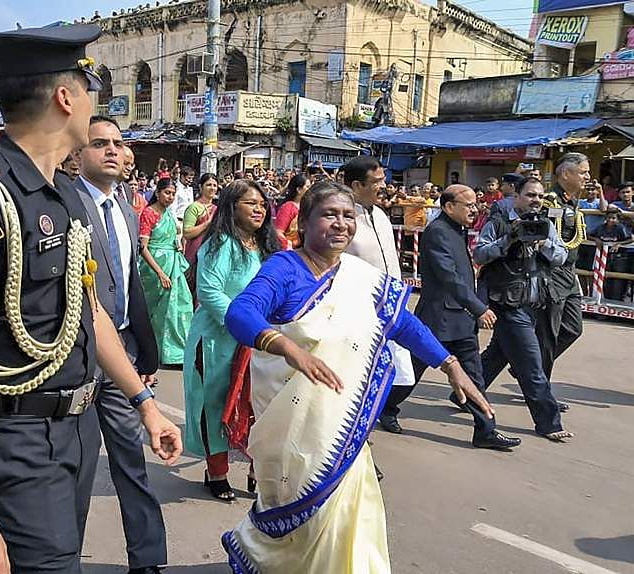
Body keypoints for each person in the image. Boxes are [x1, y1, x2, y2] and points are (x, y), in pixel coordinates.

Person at [0, 25, 181, 574]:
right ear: (66, 98)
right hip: (17, 439)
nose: (95, 104)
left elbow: (88, 314)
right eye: (90, 89)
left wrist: (144, 402)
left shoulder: (64, 194)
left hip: (76, 430)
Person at [221, 181, 494, 572]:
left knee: (348, 516)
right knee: (302, 519)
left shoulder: (361, 278)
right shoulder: (285, 268)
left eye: (348, 215)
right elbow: (240, 314)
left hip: (343, 428)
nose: (341, 224)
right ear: (305, 221)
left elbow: (404, 325)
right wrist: (289, 348)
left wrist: (450, 366)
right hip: (291, 425)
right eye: (329, 214)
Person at [74, 115, 167, 574]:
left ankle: (146, 559)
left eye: (117, 143)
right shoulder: (65, 204)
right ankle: (62, 559)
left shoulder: (127, 209)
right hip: (74, 360)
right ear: (77, 154)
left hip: (122, 358)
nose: (112, 150)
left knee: (132, 461)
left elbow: (132, 286)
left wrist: (145, 352)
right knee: (78, 468)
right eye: (99, 143)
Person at [386, 185, 521, 449]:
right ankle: (386, 408)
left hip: (462, 321)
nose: (475, 209)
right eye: (468, 205)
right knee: (412, 373)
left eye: (476, 204)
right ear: (449, 206)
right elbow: (450, 278)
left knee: (474, 374)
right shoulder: (437, 233)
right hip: (438, 320)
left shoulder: (456, 230)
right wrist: (479, 308)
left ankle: (485, 430)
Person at [183, 180, 281, 501]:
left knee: (259, 407)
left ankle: (258, 470)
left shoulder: (267, 246)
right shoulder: (220, 244)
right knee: (215, 405)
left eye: (262, 205)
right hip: (217, 339)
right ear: (231, 206)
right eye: (250, 204)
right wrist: (246, 325)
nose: (258, 210)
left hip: (257, 342)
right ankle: (217, 472)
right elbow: (209, 292)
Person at [475, 177, 572, 441]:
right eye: (530, 195)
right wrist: (508, 240)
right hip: (508, 304)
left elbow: (562, 257)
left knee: (497, 355)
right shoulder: (498, 222)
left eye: (539, 196)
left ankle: (467, 393)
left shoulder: (546, 225)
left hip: (535, 304)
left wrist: (543, 244)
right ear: (516, 196)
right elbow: (480, 255)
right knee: (532, 365)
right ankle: (549, 422)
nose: (535, 201)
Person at [341, 157, 417, 431]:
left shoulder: (382, 216)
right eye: (377, 182)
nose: (384, 186)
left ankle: (382, 411)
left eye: (383, 180)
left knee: (404, 375)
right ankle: (358, 434)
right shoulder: (343, 219)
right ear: (356, 185)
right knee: (359, 378)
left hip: (393, 307)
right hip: (358, 313)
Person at [537, 153, 587, 383]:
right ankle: (540, 385)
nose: (588, 176)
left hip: (569, 272)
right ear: (566, 174)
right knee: (549, 333)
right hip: (552, 272)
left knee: (573, 328)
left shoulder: (572, 200)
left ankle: (528, 366)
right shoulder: (550, 201)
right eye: (583, 172)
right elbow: (543, 237)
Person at [139, 177, 193, 365]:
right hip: (154, 266)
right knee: (157, 310)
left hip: (173, 264)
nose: (170, 197)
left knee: (179, 306)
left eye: (173, 194)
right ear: (157, 193)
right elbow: (143, 247)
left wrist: (177, 247)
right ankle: (155, 351)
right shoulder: (149, 213)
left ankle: (176, 352)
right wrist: (160, 273)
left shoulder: (169, 214)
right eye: (167, 193)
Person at [183, 173, 219, 298]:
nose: (212, 188)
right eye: (208, 185)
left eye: (215, 185)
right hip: (195, 254)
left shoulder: (217, 209)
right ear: (200, 187)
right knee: (191, 288)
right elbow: (187, 233)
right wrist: (207, 224)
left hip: (212, 252)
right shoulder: (194, 208)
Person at [589, 211, 634, 301]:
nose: (610, 220)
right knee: (606, 281)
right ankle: (607, 301)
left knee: (618, 283)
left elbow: (630, 239)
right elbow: (588, 235)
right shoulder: (601, 227)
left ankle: (618, 302)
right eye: (609, 218)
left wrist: (619, 244)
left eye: (613, 218)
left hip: (620, 258)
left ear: (617, 220)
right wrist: (596, 239)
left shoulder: (620, 228)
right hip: (606, 258)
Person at [274, 173, 310, 248]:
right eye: (307, 187)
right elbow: (278, 232)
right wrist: (288, 245)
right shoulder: (288, 207)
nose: (310, 190)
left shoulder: (308, 207)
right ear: (299, 190)